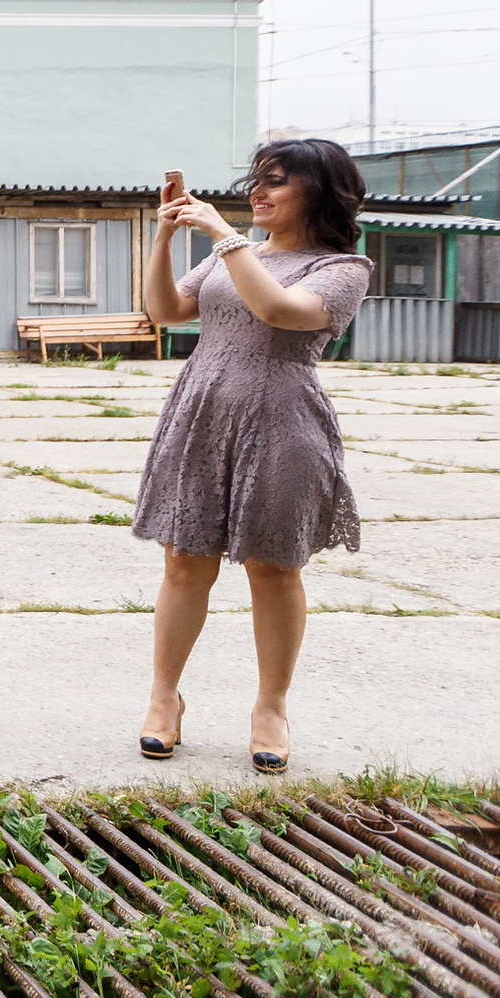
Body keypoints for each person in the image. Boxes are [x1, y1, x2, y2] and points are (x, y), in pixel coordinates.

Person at [135, 138, 374, 775]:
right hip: (201, 413)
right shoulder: (231, 256)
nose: (257, 193)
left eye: (276, 182)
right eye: (256, 181)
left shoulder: (342, 268)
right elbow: (165, 311)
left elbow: (276, 308)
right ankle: (165, 698)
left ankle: (270, 707)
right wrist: (164, 237)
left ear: (318, 193)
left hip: (283, 420)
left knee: (274, 568)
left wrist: (221, 234)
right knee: (185, 563)